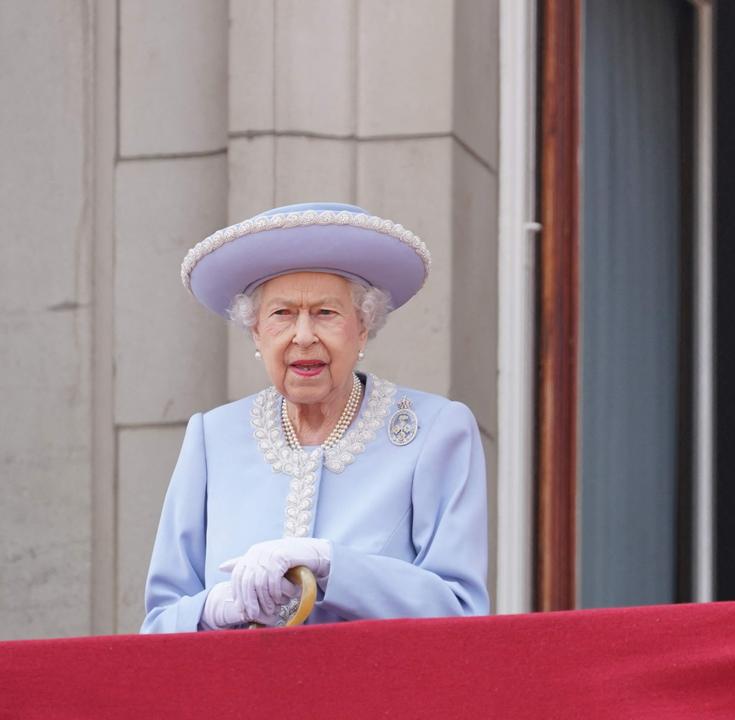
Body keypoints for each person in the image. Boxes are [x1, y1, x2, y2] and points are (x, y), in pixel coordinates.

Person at [142, 202, 489, 632]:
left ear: (363, 327)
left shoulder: (435, 430)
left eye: (326, 313)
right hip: (240, 696)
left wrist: (331, 565)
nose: (303, 336)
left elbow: (461, 612)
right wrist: (213, 609)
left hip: (374, 695)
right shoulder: (212, 438)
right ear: (255, 332)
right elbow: (158, 624)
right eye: (281, 314)